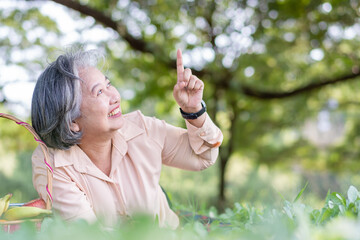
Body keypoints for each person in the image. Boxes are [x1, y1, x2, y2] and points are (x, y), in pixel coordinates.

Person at [31, 48, 223, 229]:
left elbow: (203, 157)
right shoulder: (52, 165)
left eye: (108, 84)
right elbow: (88, 234)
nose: (114, 96)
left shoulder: (142, 129)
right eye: (99, 92)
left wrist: (193, 111)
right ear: (72, 121)